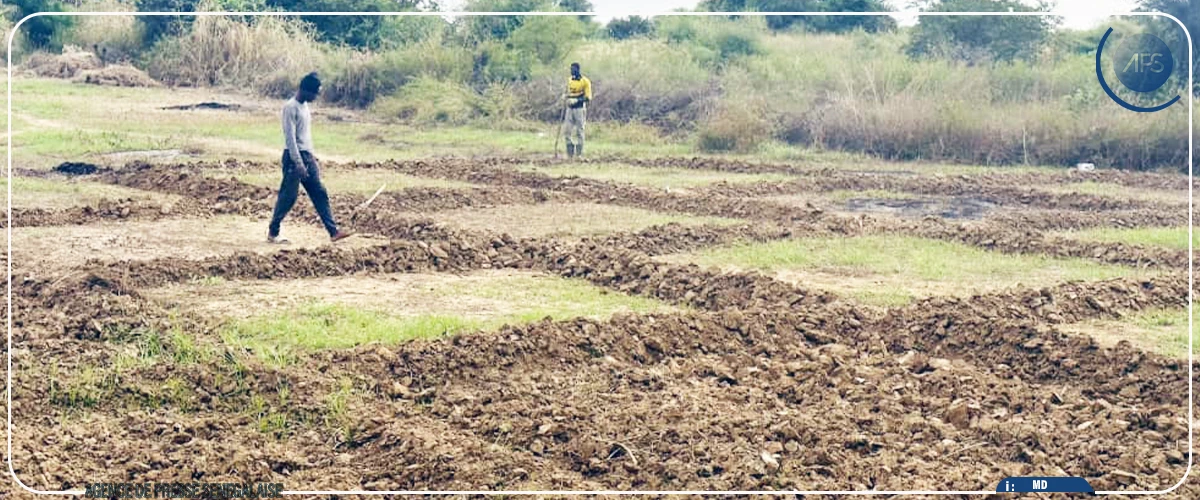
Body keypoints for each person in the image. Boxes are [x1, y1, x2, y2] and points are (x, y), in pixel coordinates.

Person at [267, 72, 352, 244]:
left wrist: (311, 156)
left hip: (307, 155)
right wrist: (298, 163)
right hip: (294, 158)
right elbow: (290, 138)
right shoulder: (290, 107)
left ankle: (333, 231)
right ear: (305, 90)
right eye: (314, 93)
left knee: (319, 193)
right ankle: (273, 232)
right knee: (288, 197)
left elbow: (304, 135)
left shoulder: (305, 106)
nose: (315, 97)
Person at [563, 62, 592, 159]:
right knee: (567, 131)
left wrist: (576, 100)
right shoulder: (569, 80)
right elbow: (568, 92)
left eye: (573, 69)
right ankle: (569, 154)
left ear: (577, 69)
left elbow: (588, 98)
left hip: (579, 109)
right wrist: (566, 97)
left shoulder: (585, 81)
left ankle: (579, 153)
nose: (571, 71)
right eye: (570, 69)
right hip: (569, 109)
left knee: (580, 131)